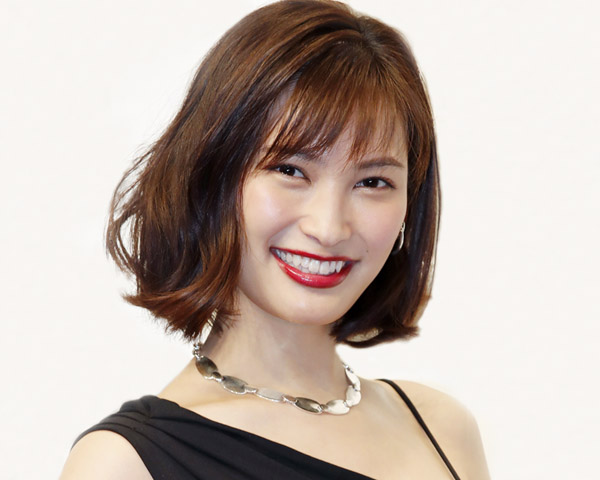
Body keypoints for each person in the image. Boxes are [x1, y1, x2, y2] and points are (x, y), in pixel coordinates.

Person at [60, 0, 489, 478]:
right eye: (290, 170)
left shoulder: (442, 430)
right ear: (212, 178)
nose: (329, 228)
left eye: (372, 182)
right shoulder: (124, 464)